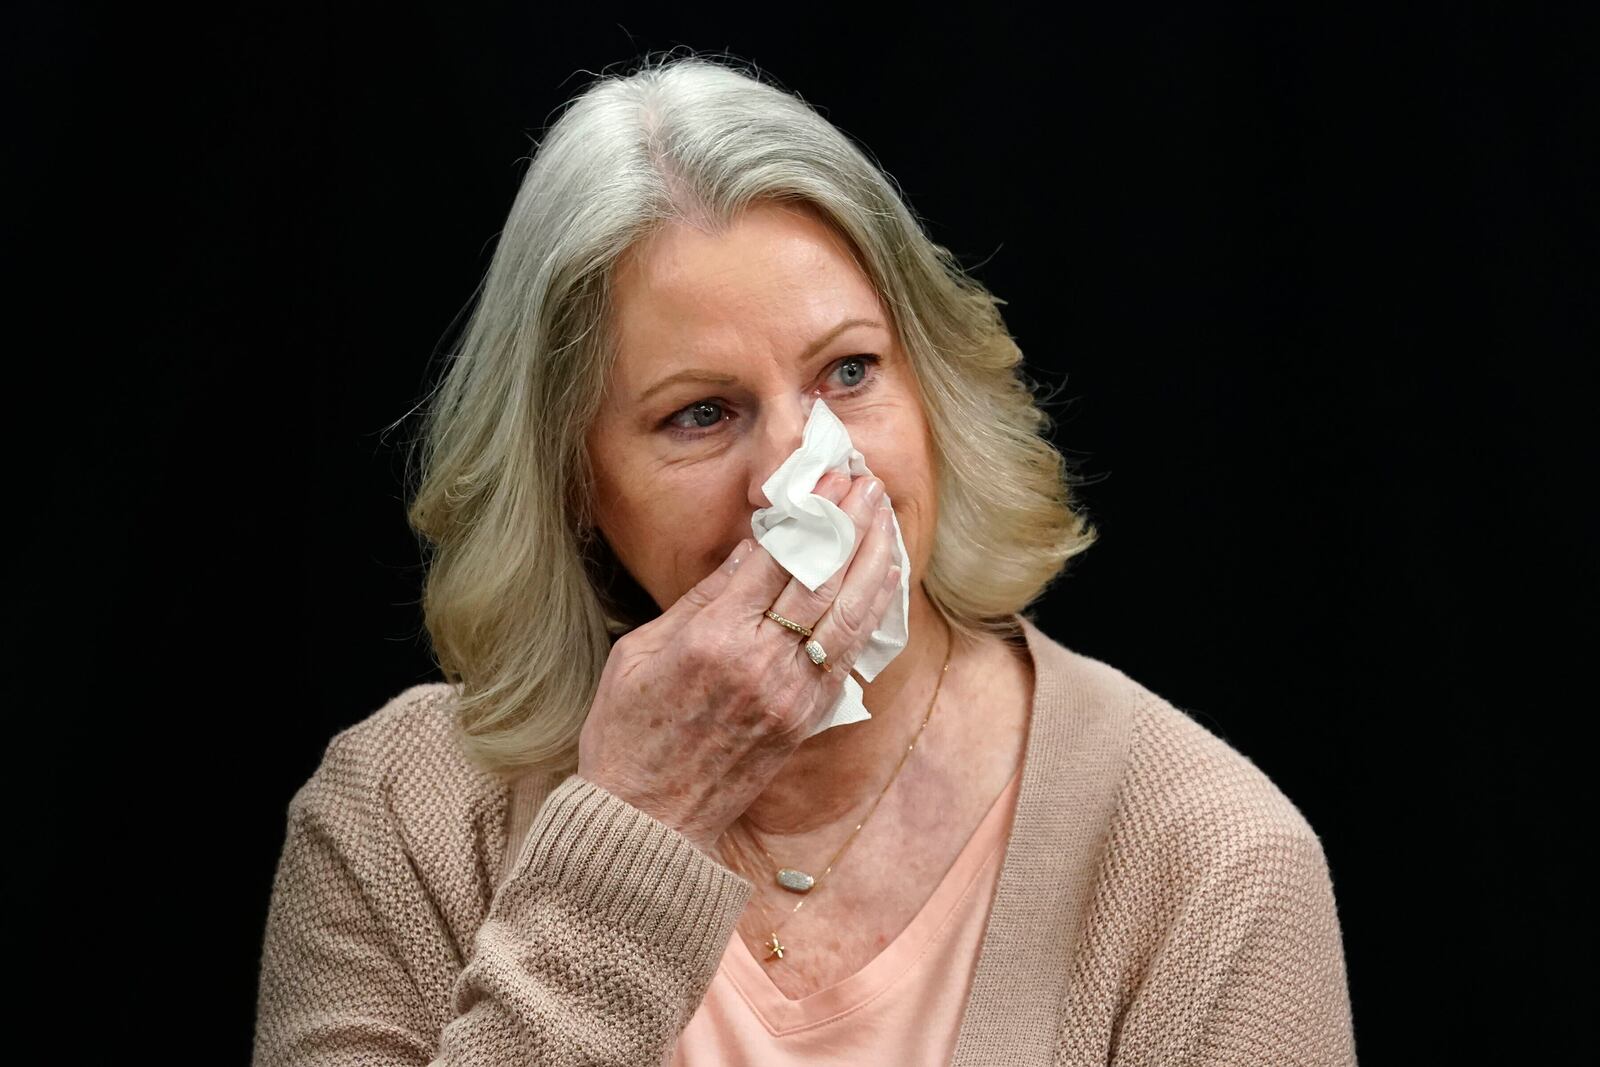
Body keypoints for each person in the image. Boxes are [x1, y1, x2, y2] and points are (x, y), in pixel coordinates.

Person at [252, 54, 1357, 1066]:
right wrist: (637, 826)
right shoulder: (399, 817)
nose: (801, 478)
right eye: (700, 413)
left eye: (847, 373)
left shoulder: (1203, 855)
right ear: (575, 485)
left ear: (933, 391)